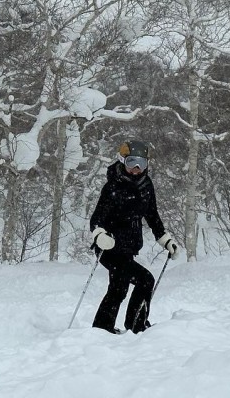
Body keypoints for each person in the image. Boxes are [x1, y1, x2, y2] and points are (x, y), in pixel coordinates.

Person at [88, 140, 178, 334]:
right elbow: (97, 219)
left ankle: (102, 328)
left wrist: (165, 240)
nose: (136, 168)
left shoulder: (146, 186)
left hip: (128, 248)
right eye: (132, 162)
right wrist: (100, 235)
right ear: (122, 161)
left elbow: (152, 216)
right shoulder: (112, 187)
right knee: (145, 280)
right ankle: (136, 326)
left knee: (118, 287)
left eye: (141, 163)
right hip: (109, 247)